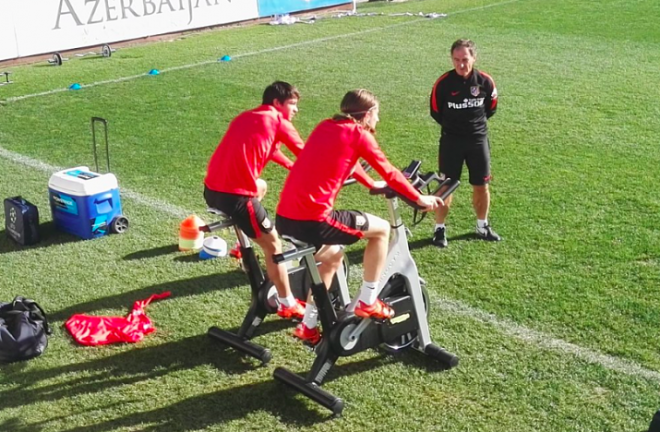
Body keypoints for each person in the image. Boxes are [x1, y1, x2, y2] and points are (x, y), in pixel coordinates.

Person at [276, 89, 443, 345]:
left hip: (285, 217)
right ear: (366, 115)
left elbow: (349, 161)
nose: (378, 120)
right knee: (382, 230)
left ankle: (308, 325)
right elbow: (390, 172)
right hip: (314, 219)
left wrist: (369, 183)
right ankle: (368, 299)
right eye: (376, 115)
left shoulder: (326, 126)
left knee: (332, 257)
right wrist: (421, 200)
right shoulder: (360, 134)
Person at [204, 81, 306, 320]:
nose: (296, 110)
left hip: (211, 191)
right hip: (236, 198)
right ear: (277, 103)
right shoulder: (279, 122)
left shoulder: (246, 117)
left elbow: (270, 149)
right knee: (275, 247)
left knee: (261, 185)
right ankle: (287, 303)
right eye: (292, 104)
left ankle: (244, 244)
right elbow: (307, 154)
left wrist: (290, 166)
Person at [430, 38, 501, 248]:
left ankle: (482, 225)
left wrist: (473, 127)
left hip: (478, 141)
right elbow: (435, 111)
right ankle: (439, 229)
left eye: (465, 59)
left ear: (474, 58)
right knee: (446, 186)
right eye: (456, 59)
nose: (461, 64)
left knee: (481, 185)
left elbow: (491, 107)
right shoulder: (443, 84)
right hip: (451, 142)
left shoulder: (485, 82)